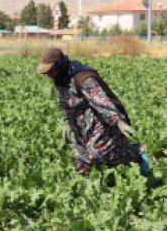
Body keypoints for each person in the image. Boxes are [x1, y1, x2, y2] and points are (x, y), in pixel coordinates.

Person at [37, 47, 150, 176]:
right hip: (78, 125)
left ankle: (136, 154)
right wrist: (67, 122)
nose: (48, 74)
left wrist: (118, 121)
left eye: (50, 70)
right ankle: (83, 191)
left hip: (98, 121)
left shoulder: (82, 78)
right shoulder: (59, 79)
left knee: (99, 153)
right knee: (82, 162)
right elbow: (65, 103)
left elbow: (101, 101)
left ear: (59, 65)